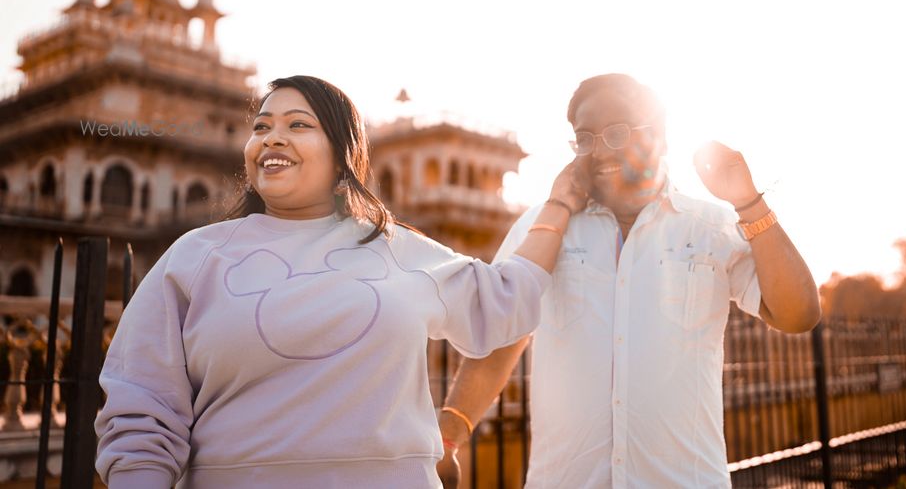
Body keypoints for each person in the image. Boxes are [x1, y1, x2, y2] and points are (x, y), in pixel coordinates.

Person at [94, 75, 587, 489]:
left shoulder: (398, 249)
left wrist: (560, 204)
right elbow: (143, 402)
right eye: (260, 127)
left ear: (341, 153)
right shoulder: (198, 256)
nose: (271, 138)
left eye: (298, 125)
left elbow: (506, 300)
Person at [437, 73, 821, 488]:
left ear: (658, 136)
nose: (599, 150)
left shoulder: (711, 226)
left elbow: (798, 314)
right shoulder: (542, 226)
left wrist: (748, 201)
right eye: (585, 137)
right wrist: (448, 434)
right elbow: (502, 334)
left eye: (616, 132)